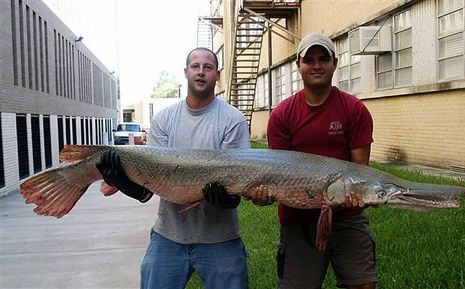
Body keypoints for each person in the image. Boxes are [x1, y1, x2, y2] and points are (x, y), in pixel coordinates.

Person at [96, 47, 251, 289]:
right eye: (195, 66)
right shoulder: (164, 120)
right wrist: (125, 183)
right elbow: (150, 187)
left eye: (208, 67)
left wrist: (227, 199)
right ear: (186, 72)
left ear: (218, 75)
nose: (201, 72)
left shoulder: (233, 120)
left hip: (220, 238)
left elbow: (237, 181)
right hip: (169, 236)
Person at [267, 32, 376, 289]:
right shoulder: (282, 115)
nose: (316, 65)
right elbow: (277, 172)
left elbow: (361, 170)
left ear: (335, 63)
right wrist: (266, 193)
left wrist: (358, 195)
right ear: (298, 66)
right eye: (309, 59)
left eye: (323, 59)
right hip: (298, 220)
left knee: (363, 286)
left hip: (347, 217)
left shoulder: (354, 109)